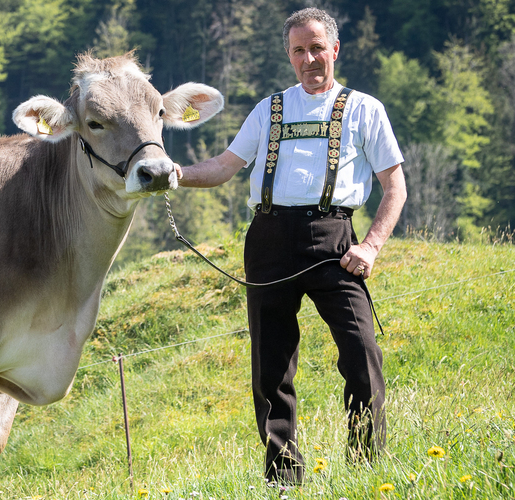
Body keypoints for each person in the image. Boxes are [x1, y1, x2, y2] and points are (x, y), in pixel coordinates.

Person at [174, 7, 407, 485]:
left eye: (317, 48)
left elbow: (395, 186)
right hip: (269, 239)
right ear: (289, 55)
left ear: (335, 49)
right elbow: (224, 166)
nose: (309, 59)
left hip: (334, 240)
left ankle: (366, 468)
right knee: (271, 367)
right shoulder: (269, 109)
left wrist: (371, 246)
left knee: (362, 354)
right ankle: (283, 479)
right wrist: (174, 175)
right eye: (299, 50)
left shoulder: (365, 109)